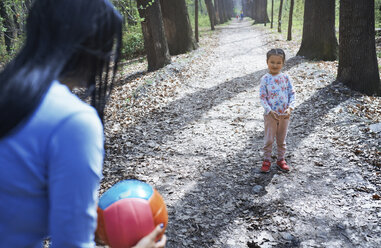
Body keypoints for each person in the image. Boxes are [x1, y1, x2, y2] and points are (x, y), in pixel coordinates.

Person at [0, 0, 166, 247]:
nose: (109, 55)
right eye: (106, 43)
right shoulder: (73, 121)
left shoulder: (10, 91)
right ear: (87, 44)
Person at [259, 48, 296, 173]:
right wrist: (269, 110)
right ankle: (267, 160)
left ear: (283, 63)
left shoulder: (285, 78)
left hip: (284, 115)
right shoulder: (265, 79)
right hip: (271, 115)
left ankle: (281, 159)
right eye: (272, 62)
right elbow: (263, 97)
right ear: (267, 62)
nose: (275, 65)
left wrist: (290, 108)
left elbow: (292, 94)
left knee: (281, 139)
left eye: (278, 63)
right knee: (269, 139)